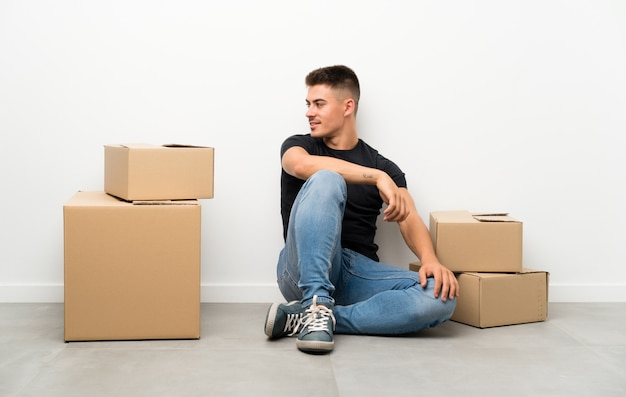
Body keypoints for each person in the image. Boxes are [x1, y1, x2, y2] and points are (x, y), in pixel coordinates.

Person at [264, 65, 458, 354]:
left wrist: (430, 259)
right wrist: (376, 177)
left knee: (441, 295)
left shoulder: (385, 166)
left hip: (356, 274)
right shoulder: (299, 146)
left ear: (347, 106)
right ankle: (315, 301)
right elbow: (301, 166)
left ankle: (313, 318)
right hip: (300, 269)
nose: (309, 112)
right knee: (327, 178)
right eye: (308, 104)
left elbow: (407, 216)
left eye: (319, 104)